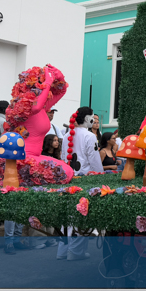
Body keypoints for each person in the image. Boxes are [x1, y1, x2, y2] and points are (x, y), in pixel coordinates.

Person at [58, 107, 99, 261]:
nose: (94, 121)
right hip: (85, 179)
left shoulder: (68, 135)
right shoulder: (89, 136)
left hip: (69, 177)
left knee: (68, 213)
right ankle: (75, 251)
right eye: (93, 118)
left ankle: (62, 251)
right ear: (88, 119)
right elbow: (94, 159)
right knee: (81, 213)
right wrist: (99, 174)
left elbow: (63, 157)